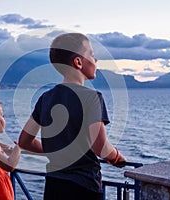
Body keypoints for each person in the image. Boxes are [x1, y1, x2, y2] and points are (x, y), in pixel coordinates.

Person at [18, 33, 126, 200]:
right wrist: (117, 157)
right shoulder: (92, 97)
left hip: (54, 184)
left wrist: (55, 150)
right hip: (84, 186)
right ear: (78, 62)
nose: (96, 59)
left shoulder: (45, 98)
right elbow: (100, 147)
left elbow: (25, 141)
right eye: (91, 54)